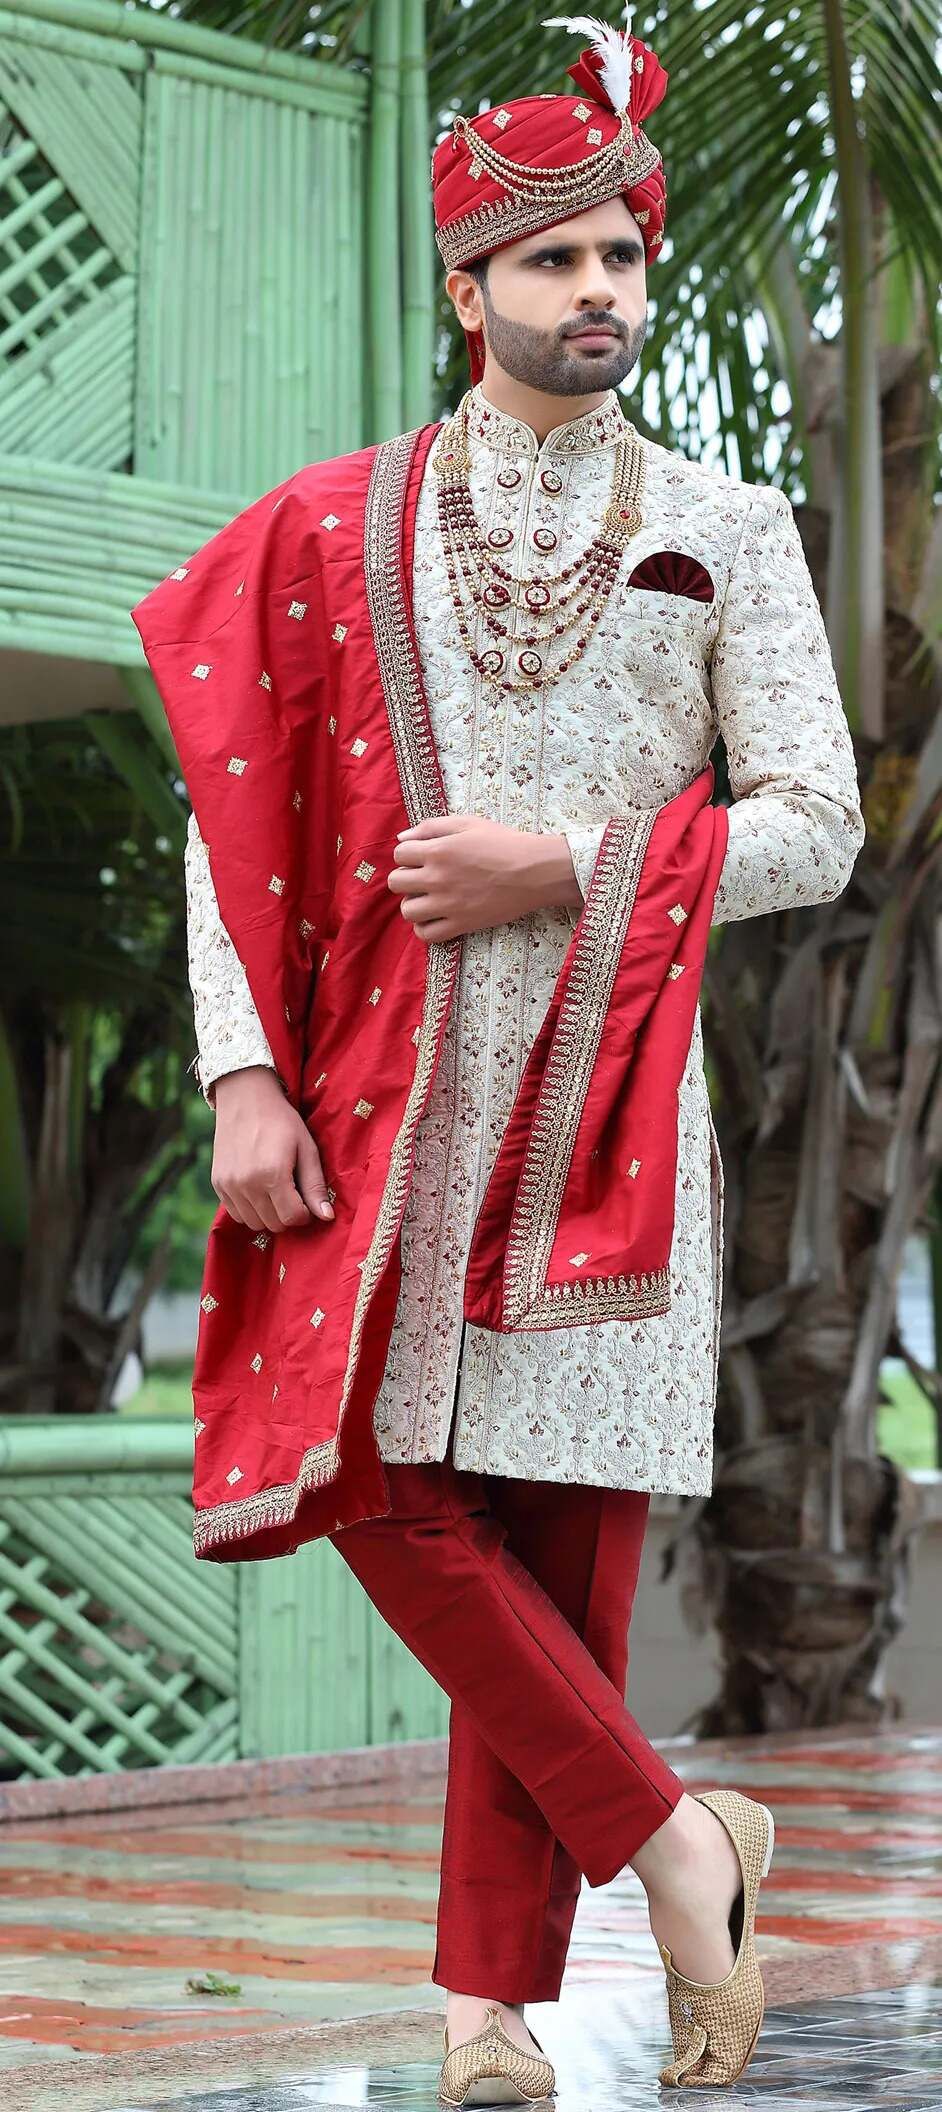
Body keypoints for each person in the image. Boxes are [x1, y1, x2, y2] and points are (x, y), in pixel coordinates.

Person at [131, 13, 865, 2101]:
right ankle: (685, 1847)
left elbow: (817, 823)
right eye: (555, 260)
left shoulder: (723, 525)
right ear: (470, 287)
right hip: (373, 1106)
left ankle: (488, 2022)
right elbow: (231, 817)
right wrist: (238, 1073)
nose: (600, 290)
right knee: (374, 1487)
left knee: (560, 1564)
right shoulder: (334, 528)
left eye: (623, 256)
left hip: (607, 1114)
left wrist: (566, 865)